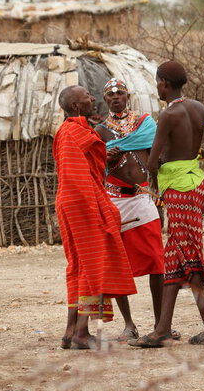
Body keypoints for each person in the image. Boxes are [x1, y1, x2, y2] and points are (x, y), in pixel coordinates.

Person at [129, 61, 204, 348]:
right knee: (177, 255)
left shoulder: (169, 115)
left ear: (164, 83)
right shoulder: (199, 109)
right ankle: (166, 328)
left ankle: (186, 328)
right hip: (196, 186)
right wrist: (199, 155)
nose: (157, 86)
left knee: (186, 254)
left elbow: (152, 162)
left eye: (158, 82)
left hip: (176, 189)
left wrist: (156, 171)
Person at [54, 85, 137, 349]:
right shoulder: (72, 131)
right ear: (76, 107)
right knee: (91, 266)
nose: (92, 98)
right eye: (86, 96)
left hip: (73, 202)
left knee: (78, 266)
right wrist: (100, 209)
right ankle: (81, 333)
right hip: (82, 203)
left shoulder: (74, 130)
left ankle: (70, 332)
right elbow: (77, 176)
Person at [93, 78, 168, 342]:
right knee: (117, 264)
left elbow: (156, 157)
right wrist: (105, 156)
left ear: (127, 96)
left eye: (120, 93)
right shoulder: (100, 131)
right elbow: (92, 161)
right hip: (114, 202)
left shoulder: (145, 123)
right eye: (110, 94)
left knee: (157, 262)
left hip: (143, 198)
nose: (115, 97)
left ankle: (161, 324)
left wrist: (161, 199)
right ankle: (129, 325)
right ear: (105, 99)